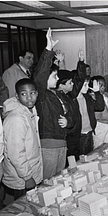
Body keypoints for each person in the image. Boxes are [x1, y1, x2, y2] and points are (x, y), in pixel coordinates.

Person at [34, 28, 74, 180]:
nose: (57, 79)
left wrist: (68, 121)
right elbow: (39, 76)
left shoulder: (57, 95)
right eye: (55, 76)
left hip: (62, 143)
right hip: (49, 146)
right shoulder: (42, 95)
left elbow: (70, 114)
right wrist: (48, 50)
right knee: (48, 183)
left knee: (58, 182)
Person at [2, 78, 42, 201]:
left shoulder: (30, 111)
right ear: (17, 96)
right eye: (24, 94)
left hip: (30, 171)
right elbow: (15, 153)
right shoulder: (16, 118)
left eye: (32, 93)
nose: (29, 98)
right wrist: (27, 177)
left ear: (37, 93)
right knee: (24, 212)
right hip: (22, 177)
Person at [56, 50, 86, 164]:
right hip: (67, 137)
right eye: (70, 83)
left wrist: (81, 61)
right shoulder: (56, 98)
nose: (73, 84)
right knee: (69, 164)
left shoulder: (71, 94)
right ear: (61, 85)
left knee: (76, 162)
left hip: (76, 134)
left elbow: (80, 78)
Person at [77, 74, 105, 156]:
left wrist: (97, 92)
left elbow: (100, 107)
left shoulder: (87, 97)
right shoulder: (73, 99)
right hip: (80, 135)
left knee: (90, 157)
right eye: (85, 85)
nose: (88, 87)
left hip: (89, 132)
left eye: (88, 84)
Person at [91, 76, 108, 148]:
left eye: (104, 85)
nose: (103, 87)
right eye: (100, 85)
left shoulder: (107, 95)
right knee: (98, 146)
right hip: (100, 124)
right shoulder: (92, 96)